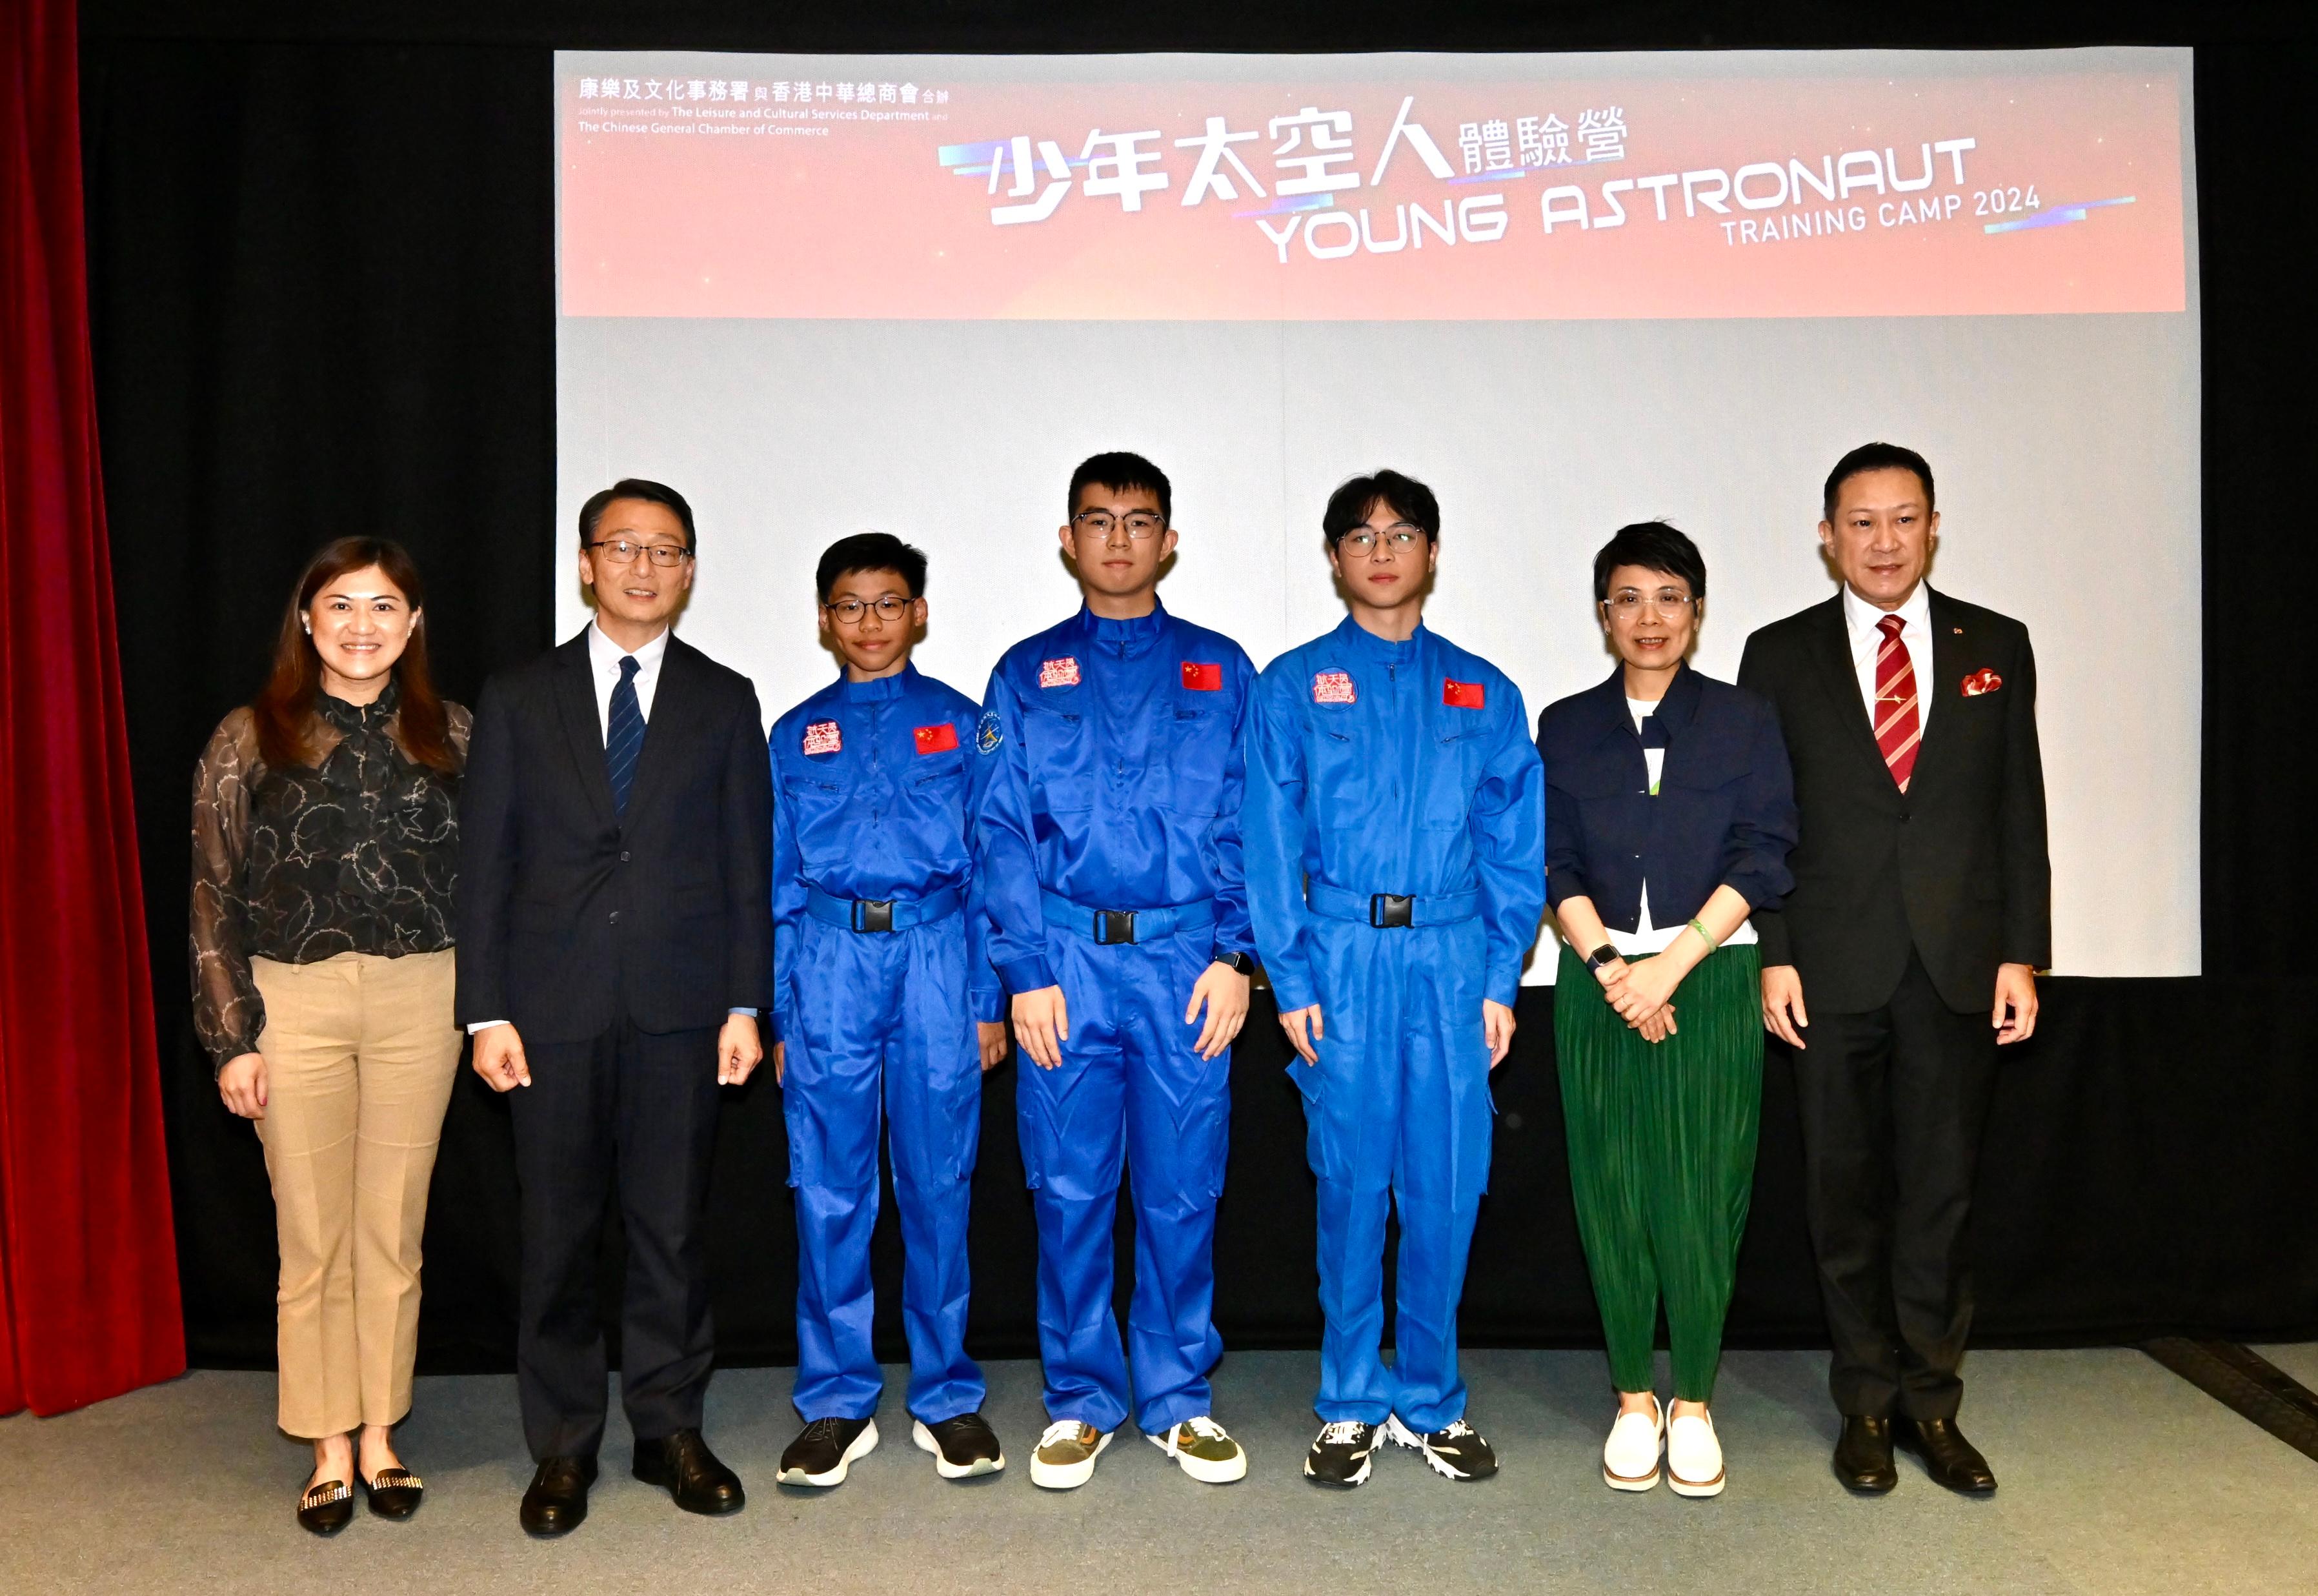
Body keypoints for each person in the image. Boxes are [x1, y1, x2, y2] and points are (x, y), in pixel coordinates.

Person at [457, 478, 773, 1535]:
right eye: (623, 546)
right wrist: (484, 1010)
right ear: (586, 563)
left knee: (671, 1230)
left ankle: (669, 1428)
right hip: (548, 1014)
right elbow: (486, 865)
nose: (644, 565)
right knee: (554, 1237)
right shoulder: (517, 694)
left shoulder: (726, 699)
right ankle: (560, 1446)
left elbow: (746, 866)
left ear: (689, 570)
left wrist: (745, 1003)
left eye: (667, 549)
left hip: (684, 1009)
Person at [1738, 443, 2049, 1497]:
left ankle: (1933, 1405)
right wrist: (1772, 953)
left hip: (1959, 964)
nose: (1884, 541)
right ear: (1827, 536)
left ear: (1933, 526)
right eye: (1861, 522)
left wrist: (2023, 950)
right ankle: (1864, 1404)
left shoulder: (1995, 644)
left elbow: (2020, 810)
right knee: (1843, 1194)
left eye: (1903, 519)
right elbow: (1762, 827)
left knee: (1941, 1195)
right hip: (1829, 966)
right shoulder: (1777, 655)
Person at [1245, 470, 1544, 1488]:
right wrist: (1288, 979)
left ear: (1432, 552)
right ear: (1334, 558)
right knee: (1350, 1183)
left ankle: (1430, 1395)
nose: (1382, 550)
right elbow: (1267, 842)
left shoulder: (1484, 691)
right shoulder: (1289, 688)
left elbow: (1515, 850)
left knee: (1448, 1184)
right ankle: (1348, 1397)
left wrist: (1503, 976)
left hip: (1454, 957)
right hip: (1341, 955)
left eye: (1403, 532)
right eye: (1362, 536)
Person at [974, 451, 1256, 1490]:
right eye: (1099, 521)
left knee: (1184, 1186)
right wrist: (1024, 971)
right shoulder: (1024, 671)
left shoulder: (1222, 669)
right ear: (1067, 540)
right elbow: (1000, 830)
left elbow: (1250, 822)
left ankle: (1179, 1398)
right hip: (1065, 965)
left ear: (1170, 540)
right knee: (1068, 1185)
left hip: (1187, 961)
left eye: (1141, 521)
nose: (1121, 540)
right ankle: (1085, 1396)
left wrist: (1237, 957)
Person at [192, 537, 469, 1534]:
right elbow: (212, 892)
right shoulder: (247, 735)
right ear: (307, 621)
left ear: (413, 624)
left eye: (385, 606)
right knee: (312, 1235)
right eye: (341, 606)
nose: (363, 626)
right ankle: (327, 1442)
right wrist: (233, 1039)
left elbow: (491, 885)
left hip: (422, 999)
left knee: (391, 1231)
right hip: (291, 1002)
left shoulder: (455, 734)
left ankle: (383, 1432)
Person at [1537, 522, 1797, 1499]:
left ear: (1697, 609)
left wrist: (1672, 965)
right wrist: (1612, 966)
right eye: (1629, 599)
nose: (1650, 618)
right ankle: (1631, 1399)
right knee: (1610, 1190)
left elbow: (1766, 851)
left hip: (1713, 974)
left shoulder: (1744, 719)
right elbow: (1550, 861)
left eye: (1670, 597)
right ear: (1604, 613)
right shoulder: (1563, 725)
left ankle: (1691, 1399)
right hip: (1598, 980)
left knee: (1700, 1189)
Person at [766, 534, 1010, 1488]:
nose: (871, 621)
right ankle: (836, 1399)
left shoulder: (965, 724)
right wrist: (784, 1014)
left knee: (939, 1182)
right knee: (829, 1185)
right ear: (825, 619)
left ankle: (946, 1395)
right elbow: (778, 881)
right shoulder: (794, 733)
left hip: (940, 960)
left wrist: (989, 997)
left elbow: (995, 866)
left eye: (889, 602)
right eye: (851, 605)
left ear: (919, 613)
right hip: (828, 959)